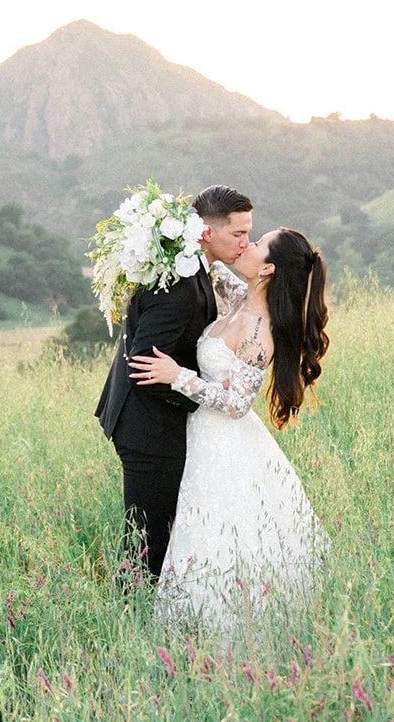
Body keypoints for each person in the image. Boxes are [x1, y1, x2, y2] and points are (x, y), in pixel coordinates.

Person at [127, 226, 330, 635]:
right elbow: (210, 268)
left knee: (216, 533)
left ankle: (224, 630)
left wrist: (177, 376)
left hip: (224, 442)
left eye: (257, 243)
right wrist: (184, 235)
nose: (247, 244)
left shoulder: (260, 328)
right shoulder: (243, 298)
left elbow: (238, 403)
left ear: (268, 269)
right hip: (201, 431)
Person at [95, 185, 254, 579]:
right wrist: (199, 398)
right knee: (148, 544)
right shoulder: (180, 287)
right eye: (238, 233)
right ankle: (130, 611)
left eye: (249, 233)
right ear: (207, 232)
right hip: (148, 428)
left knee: (159, 537)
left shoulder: (197, 269)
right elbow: (144, 367)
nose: (245, 242)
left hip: (155, 422)